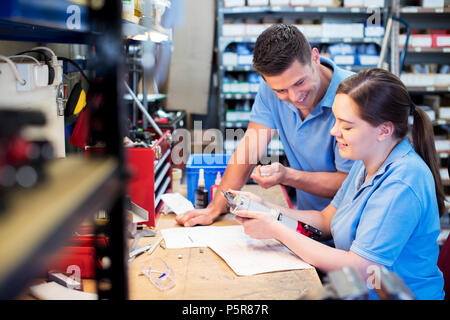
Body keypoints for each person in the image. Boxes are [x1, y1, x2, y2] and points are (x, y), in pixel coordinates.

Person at [231, 68, 445, 300]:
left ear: (384, 130)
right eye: (335, 120)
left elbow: (361, 269)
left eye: (347, 126)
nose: (334, 131)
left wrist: (276, 229)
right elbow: (326, 220)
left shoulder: (402, 183)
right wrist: (267, 210)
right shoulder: (367, 161)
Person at [177, 24, 354, 228]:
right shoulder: (272, 87)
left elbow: (350, 183)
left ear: (315, 57)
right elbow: (250, 147)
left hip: (351, 229)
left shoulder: (354, 96)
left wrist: (288, 176)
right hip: (309, 223)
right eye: (281, 91)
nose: (295, 97)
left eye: (300, 83)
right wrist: (216, 207)